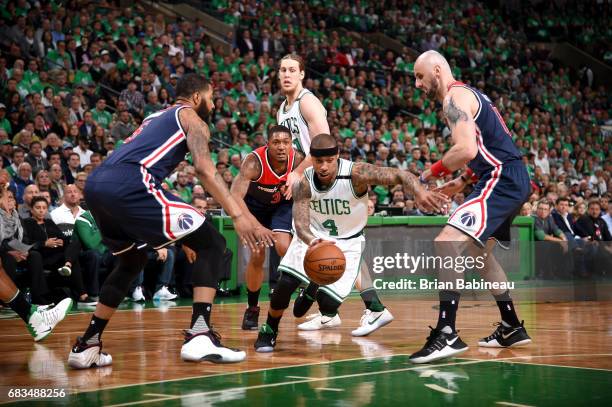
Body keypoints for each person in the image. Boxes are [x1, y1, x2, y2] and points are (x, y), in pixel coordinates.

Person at [67, 74, 269, 369]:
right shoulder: (193, 119)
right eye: (211, 98)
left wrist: (183, 233)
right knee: (214, 242)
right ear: (198, 98)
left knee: (131, 262)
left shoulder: (154, 117)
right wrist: (238, 215)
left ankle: (87, 344)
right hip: (131, 183)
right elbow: (204, 169)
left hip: (98, 183)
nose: (213, 104)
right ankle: (200, 335)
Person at [254, 133, 447, 352]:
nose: (324, 166)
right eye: (319, 161)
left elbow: (401, 175)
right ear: (312, 160)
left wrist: (420, 192)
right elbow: (300, 224)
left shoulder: (356, 173)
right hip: (314, 237)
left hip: (348, 243)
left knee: (328, 306)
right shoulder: (304, 180)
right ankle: (269, 329)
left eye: (329, 161)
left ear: (337, 156)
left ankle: (313, 286)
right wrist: (313, 241)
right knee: (284, 285)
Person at [411, 51, 532, 364]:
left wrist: (426, 174)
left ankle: (446, 332)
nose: (417, 84)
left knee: (447, 243)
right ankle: (511, 327)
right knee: (479, 254)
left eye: (420, 76)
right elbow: (487, 144)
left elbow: (466, 148)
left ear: (437, 70)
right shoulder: (470, 94)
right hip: (511, 176)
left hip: (501, 177)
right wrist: (463, 181)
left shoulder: (453, 97)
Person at [276, 54, 389, 330]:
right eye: (282, 70)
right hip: (312, 180)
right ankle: (330, 311)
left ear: (302, 74)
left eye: (292, 70)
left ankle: (374, 308)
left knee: (337, 245)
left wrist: (298, 173)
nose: (286, 74)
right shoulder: (283, 109)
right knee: (325, 245)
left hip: (329, 178)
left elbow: (323, 147)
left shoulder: (308, 101)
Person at [230, 125, 302, 330]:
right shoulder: (254, 162)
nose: (281, 147)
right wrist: (255, 226)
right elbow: (235, 196)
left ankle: (298, 289)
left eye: (285, 142)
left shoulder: (297, 160)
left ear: (291, 144)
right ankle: (252, 308)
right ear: (267, 144)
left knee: (283, 247)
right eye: (276, 142)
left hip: (281, 206)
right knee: (257, 254)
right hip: (253, 208)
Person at [0, 184, 72, 341]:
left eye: (11, 197)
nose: (10, 200)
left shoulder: (14, 216)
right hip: (8, 250)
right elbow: (6, 239)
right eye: (7, 197)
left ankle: (34, 311)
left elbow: (16, 239)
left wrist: (21, 249)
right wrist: (12, 249)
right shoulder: (25, 220)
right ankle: (32, 314)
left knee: (33, 256)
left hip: (18, 248)